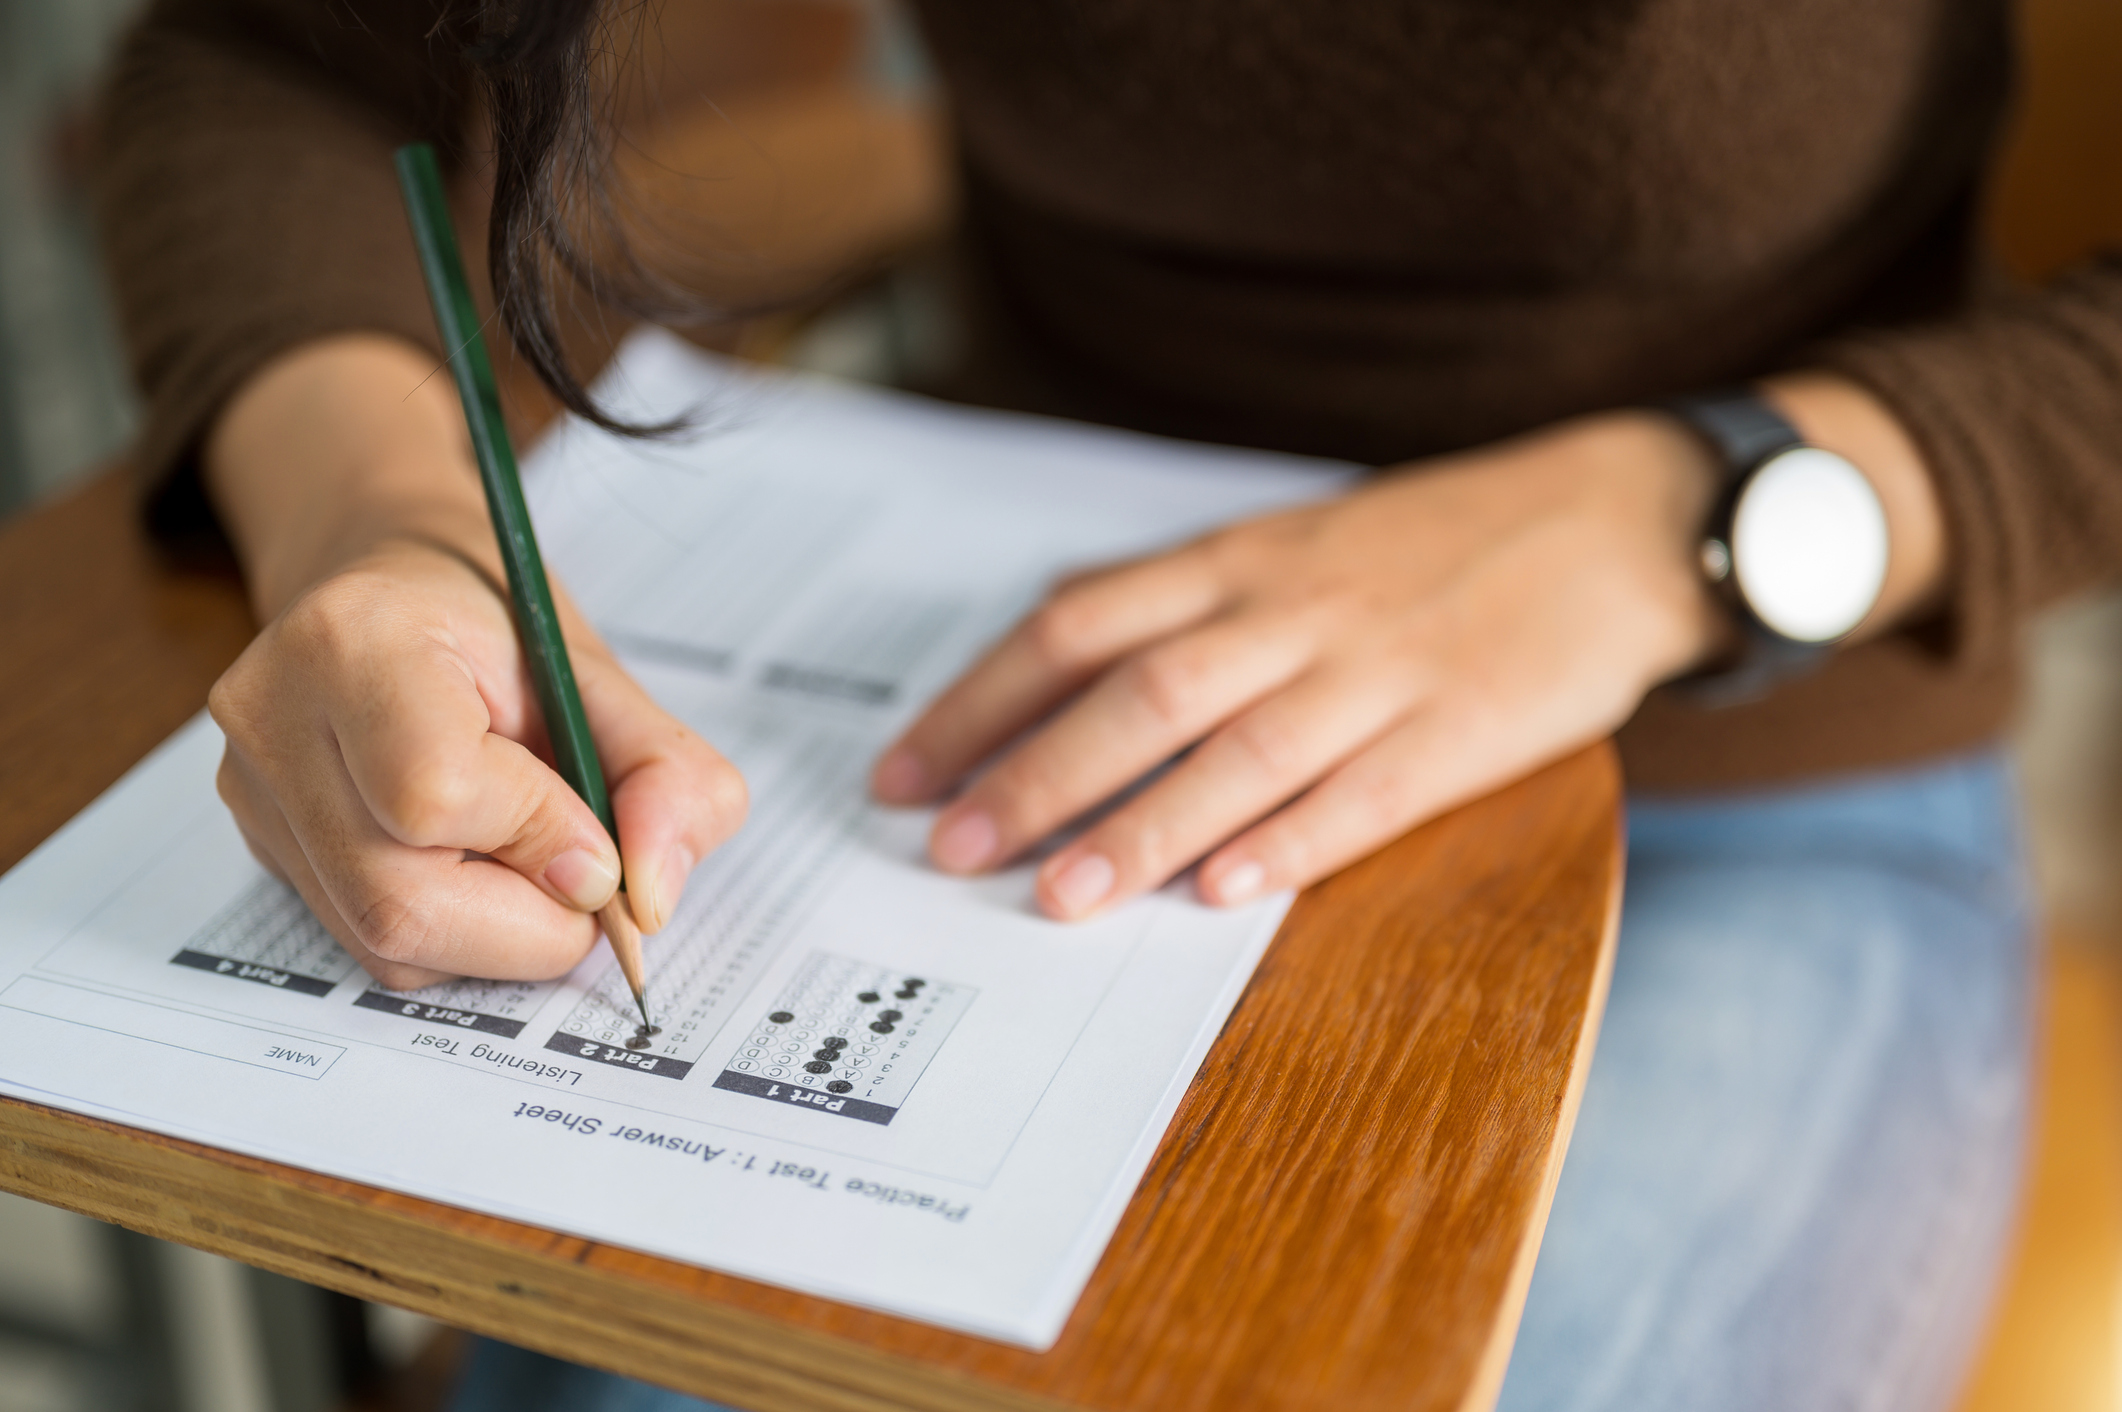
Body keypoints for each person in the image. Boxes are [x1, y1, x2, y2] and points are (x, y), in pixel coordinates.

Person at [88, 0, 2097, 1406]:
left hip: (1741, 761)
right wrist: (384, 519)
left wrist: (1699, 517)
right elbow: (284, 57)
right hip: (979, 695)